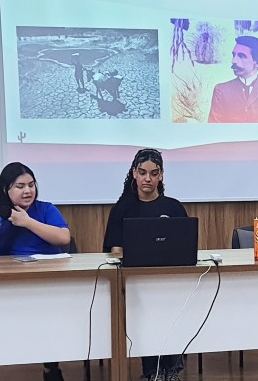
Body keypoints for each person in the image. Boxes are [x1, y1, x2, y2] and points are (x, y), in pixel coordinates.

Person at [0, 162, 70, 381]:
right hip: (13, 286)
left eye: (31, 185)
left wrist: (28, 222)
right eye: (20, 186)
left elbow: (64, 238)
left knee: (49, 309)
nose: (28, 191)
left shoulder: (45, 209)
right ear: (6, 189)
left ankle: (50, 365)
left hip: (49, 283)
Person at [102, 148, 187, 381]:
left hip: (169, 282)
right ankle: (152, 371)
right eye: (142, 173)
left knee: (171, 308)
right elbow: (114, 250)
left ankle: (172, 369)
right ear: (134, 174)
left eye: (153, 173)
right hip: (135, 283)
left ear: (161, 175)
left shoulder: (174, 208)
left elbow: (185, 246)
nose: (147, 178)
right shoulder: (122, 209)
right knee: (147, 313)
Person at [207, 35, 258, 123]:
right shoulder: (221, 90)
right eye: (234, 55)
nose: (234, 61)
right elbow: (214, 127)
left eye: (241, 56)